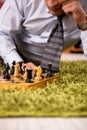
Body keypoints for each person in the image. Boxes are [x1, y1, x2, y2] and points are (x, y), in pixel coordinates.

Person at [0, 0, 87, 72]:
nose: (51, 4)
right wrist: (17, 62)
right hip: (7, 53)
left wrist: (83, 24)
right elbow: (1, 32)